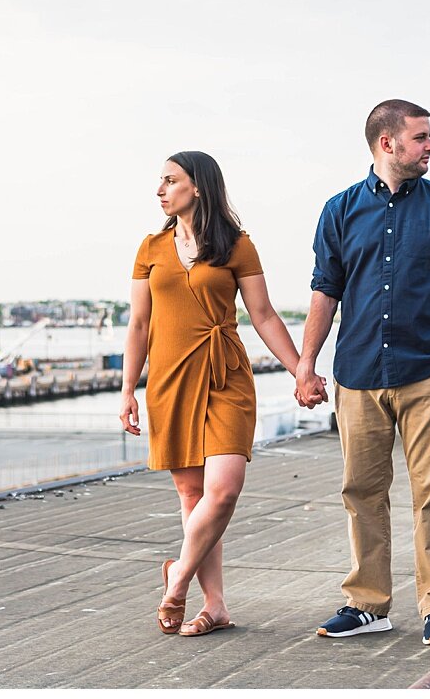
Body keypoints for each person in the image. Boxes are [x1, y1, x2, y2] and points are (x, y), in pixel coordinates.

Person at [297, 99, 430, 645]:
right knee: (361, 491)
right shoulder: (339, 209)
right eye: (421, 137)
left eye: (429, 137)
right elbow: (325, 290)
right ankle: (368, 603)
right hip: (357, 372)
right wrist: (306, 364)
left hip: (428, 371)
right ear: (387, 143)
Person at [119, 150, 315, 637]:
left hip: (225, 374)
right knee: (191, 494)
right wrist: (127, 389)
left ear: (199, 187)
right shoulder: (150, 248)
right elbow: (139, 324)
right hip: (169, 378)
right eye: (160, 182)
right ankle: (217, 605)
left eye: (170, 180)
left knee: (222, 490)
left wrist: (300, 371)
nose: (160, 190)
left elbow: (264, 315)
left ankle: (177, 578)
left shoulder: (237, 245)